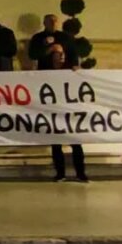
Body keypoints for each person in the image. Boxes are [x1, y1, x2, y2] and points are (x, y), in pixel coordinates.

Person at [40, 42, 89, 182]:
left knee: (76, 144)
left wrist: (80, 72)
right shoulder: (45, 72)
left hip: (70, 113)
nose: (61, 56)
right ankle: (60, 174)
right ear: (52, 56)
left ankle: (81, 174)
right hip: (54, 113)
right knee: (56, 145)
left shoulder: (71, 71)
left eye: (62, 53)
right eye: (57, 53)